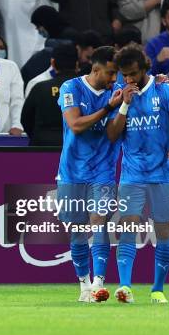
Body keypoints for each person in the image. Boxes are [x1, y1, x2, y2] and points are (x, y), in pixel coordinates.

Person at [107, 45, 169, 304]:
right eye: (125, 75)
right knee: (127, 229)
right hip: (132, 175)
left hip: (162, 174)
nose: (129, 80)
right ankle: (125, 287)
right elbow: (112, 135)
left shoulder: (164, 89)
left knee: (164, 232)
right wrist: (124, 105)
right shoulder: (121, 94)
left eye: (133, 73)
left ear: (146, 68)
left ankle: (158, 289)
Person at [56, 46, 123, 303]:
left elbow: (113, 133)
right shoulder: (70, 88)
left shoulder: (116, 93)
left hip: (103, 170)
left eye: (116, 73)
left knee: (99, 224)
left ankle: (98, 284)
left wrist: (160, 82)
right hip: (72, 171)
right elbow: (75, 125)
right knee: (77, 231)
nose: (113, 78)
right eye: (110, 73)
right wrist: (108, 108)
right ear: (95, 69)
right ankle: (84, 285)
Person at [21, 43, 78, 145]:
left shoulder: (39, 88)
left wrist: (37, 136)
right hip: (77, 147)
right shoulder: (88, 89)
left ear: (53, 63)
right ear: (77, 64)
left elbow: (25, 119)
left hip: (42, 147)